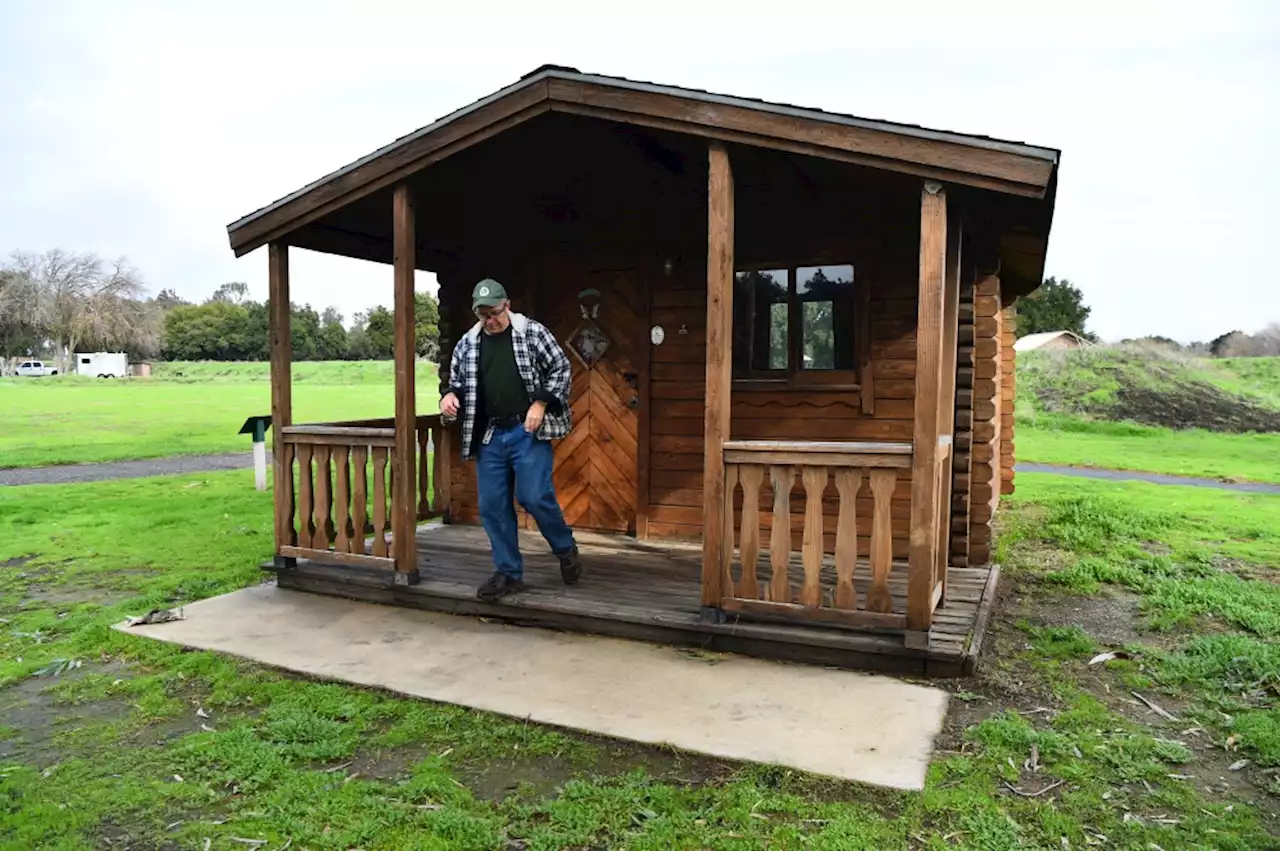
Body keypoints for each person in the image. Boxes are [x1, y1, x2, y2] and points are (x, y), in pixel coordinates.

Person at [440, 278, 582, 601]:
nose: (491, 320)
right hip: (490, 434)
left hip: (526, 431)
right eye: (484, 315)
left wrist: (541, 402)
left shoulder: (532, 333)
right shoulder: (467, 344)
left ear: (507, 306)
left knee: (533, 496)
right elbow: (456, 382)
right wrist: (447, 397)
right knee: (492, 506)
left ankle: (565, 547)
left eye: (495, 312)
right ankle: (509, 573)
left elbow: (561, 368)